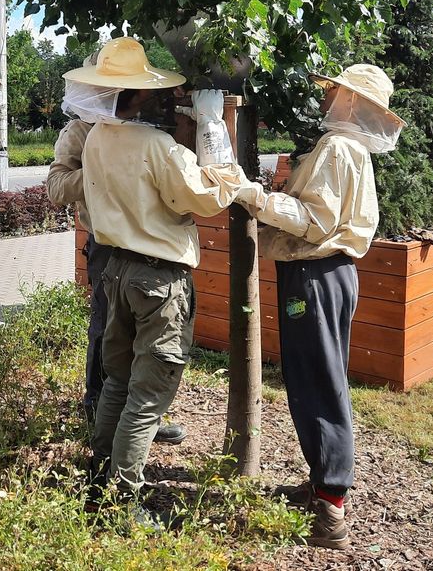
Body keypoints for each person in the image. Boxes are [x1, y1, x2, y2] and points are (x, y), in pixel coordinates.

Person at [70, 37, 259, 517]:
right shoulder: (156, 146)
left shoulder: (96, 138)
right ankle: (123, 502)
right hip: (159, 281)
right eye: (148, 90)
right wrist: (214, 130)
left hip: (115, 272)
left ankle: (98, 482)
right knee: (149, 395)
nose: (159, 97)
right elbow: (205, 198)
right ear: (133, 95)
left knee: (116, 381)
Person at [240, 64, 405, 550]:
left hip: (314, 276)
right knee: (319, 376)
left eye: (335, 90)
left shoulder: (338, 148)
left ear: (353, 101)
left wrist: (252, 196)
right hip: (329, 275)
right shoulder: (347, 148)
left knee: (317, 382)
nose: (328, 94)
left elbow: (312, 220)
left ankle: (331, 507)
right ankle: (323, 486)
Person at [46, 56, 186, 447]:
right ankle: (98, 410)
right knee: (107, 329)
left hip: (146, 247)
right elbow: (56, 189)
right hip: (107, 246)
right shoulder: (79, 131)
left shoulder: (146, 124)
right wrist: (102, 168)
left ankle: (138, 420)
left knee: (146, 341)